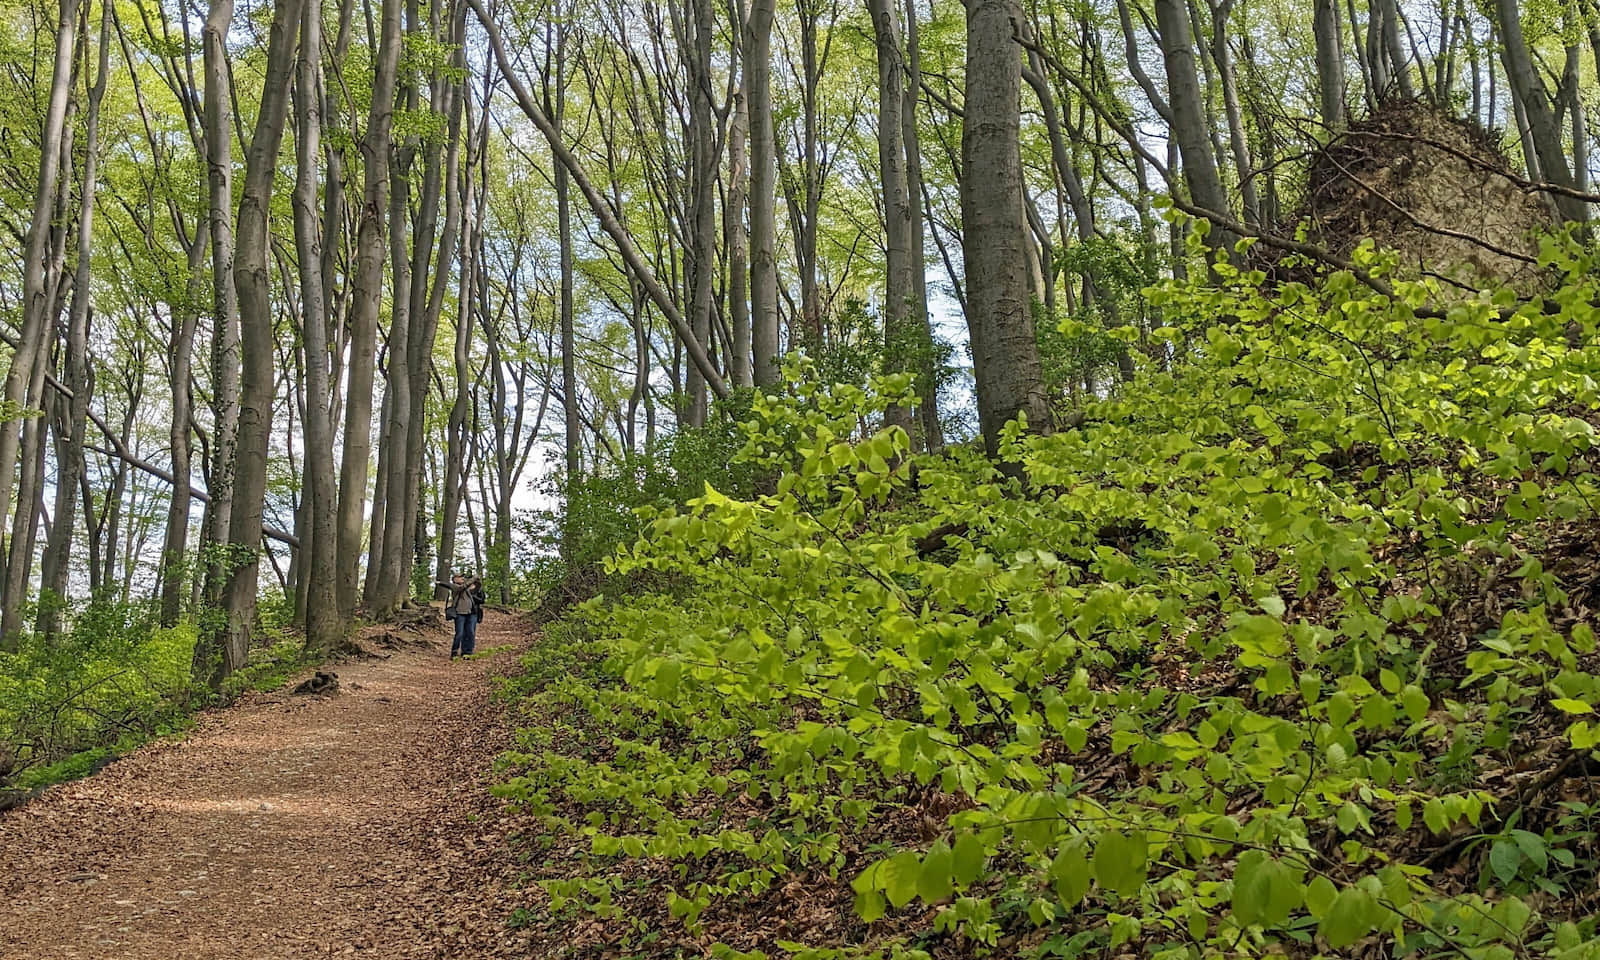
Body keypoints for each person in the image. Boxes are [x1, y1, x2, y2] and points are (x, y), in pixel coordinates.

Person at [444, 572, 486, 658]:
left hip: (471, 612)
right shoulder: (455, 586)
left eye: (463, 577)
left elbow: (477, 590)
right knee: (459, 633)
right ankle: (454, 651)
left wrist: (476, 582)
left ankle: (468, 652)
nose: (462, 578)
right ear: (455, 579)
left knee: (470, 632)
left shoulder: (467, 586)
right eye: (460, 577)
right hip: (460, 613)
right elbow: (461, 588)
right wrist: (473, 579)